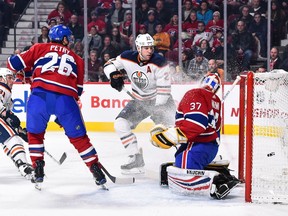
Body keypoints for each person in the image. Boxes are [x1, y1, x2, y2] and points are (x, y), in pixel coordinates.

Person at [7, 25, 106, 188]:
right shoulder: (78, 59)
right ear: (64, 39)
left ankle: (38, 168)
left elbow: (12, 63)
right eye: (70, 38)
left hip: (40, 97)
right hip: (66, 100)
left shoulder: (39, 47)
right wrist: (62, 115)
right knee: (79, 138)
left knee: (35, 135)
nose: (71, 41)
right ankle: (95, 169)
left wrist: (26, 71)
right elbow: (78, 91)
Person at [150, 73, 240, 199]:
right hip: (210, 147)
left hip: (196, 146)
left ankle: (219, 181)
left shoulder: (195, 93)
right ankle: (220, 174)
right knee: (179, 164)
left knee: (183, 170)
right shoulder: (215, 100)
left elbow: (196, 124)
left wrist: (172, 135)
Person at [103, 33, 176, 174]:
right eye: (146, 48)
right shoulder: (127, 57)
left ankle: (189, 157)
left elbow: (164, 91)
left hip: (161, 101)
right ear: (138, 48)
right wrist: (113, 75)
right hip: (139, 100)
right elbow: (108, 64)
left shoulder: (159, 62)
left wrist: (158, 110)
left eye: (151, 47)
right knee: (121, 124)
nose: (150, 50)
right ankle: (135, 158)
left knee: (172, 133)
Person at [0, 68, 34, 179]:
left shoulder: (8, 97)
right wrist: (6, 114)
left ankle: (19, 162)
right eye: (9, 78)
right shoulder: (2, 88)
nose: (12, 81)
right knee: (12, 139)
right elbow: (5, 114)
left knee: (7, 141)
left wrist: (20, 130)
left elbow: (8, 120)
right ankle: (23, 165)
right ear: (1, 79)